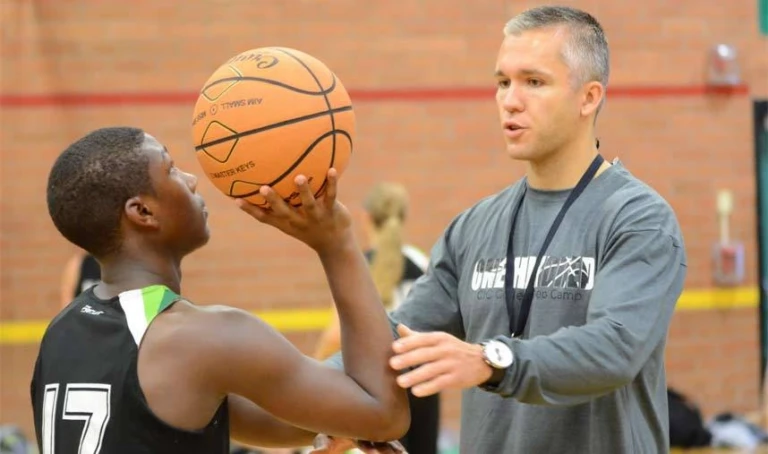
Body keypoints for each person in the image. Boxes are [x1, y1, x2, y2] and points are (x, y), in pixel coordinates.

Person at [320, 5, 687, 454]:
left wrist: (490, 359)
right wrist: (324, 404)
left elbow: (614, 349)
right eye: (502, 82)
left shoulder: (637, 217)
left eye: (534, 82)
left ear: (589, 98)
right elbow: (397, 341)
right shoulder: (473, 227)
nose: (510, 100)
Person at [31, 127, 410, 454]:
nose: (191, 179)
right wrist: (336, 243)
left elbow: (270, 419)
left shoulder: (62, 331)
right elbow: (384, 414)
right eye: (170, 168)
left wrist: (338, 422)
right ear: (142, 212)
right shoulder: (199, 339)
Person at [314, 182, 439, 454]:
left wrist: (313, 373)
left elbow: (335, 336)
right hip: (423, 380)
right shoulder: (421, 261)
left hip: (379, 386)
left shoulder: (359, 265)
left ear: (365, 217)